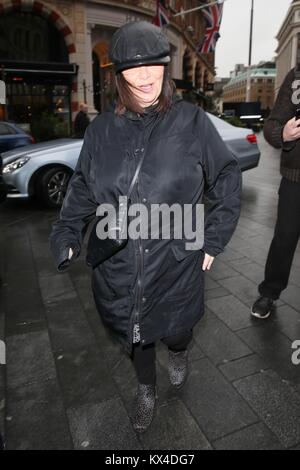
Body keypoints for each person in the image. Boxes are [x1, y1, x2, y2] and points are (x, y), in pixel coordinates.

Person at [50, 21, 241, 433]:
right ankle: (146, 389)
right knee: (135, 331)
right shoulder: (100, 131)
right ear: (117, 75)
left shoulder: (192, 123)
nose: (146, 75)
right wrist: (67, 233)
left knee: (177, 329)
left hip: (175, 256)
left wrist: (214, 236)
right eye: (134, 68)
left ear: (165, 66)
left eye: (154, 64)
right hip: (119, 259)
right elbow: (83, 186)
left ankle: (179, 352)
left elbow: (226, 175)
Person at [251, 65, 300, 319]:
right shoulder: (297, 76)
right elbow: (273, 123)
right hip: (295, 179)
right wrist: (282, 133)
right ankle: (269, 292)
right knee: (284, 238)